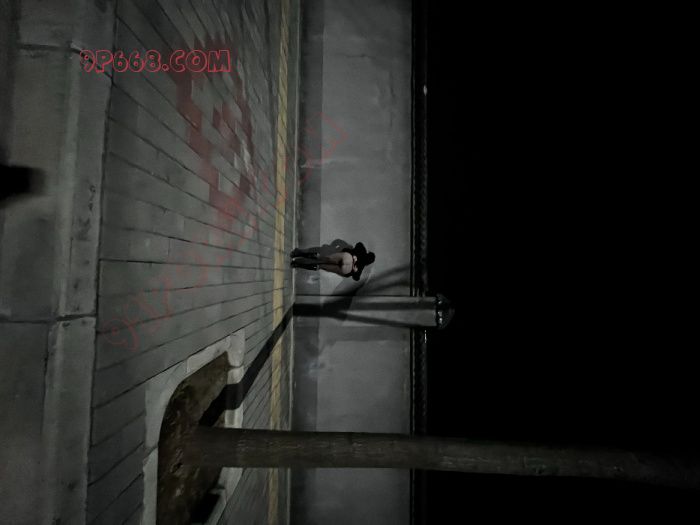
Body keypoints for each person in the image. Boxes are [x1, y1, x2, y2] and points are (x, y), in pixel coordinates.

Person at [290, 241, 375, 281]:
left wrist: (354, 255)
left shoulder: (362, 250)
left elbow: (358, 244)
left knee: (323, 258)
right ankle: (296, 264)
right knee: (321, 266)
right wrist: (355, 269)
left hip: (347, 257)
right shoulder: (362, 267)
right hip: (346, 270)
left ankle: (297, 253)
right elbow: (356, 278)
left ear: (368, 253)